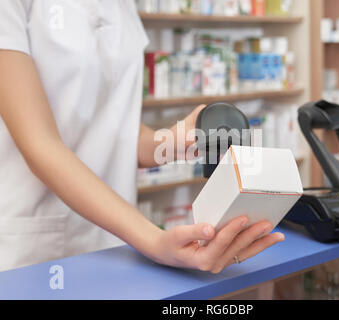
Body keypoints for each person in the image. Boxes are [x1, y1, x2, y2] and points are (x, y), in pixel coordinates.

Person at [0, 0, 284, 273]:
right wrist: (152, 239)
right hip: (36, 251)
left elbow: (117, 130)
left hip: (116, 244)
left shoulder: (122, 5)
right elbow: (40, 144)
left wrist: (173, 141)